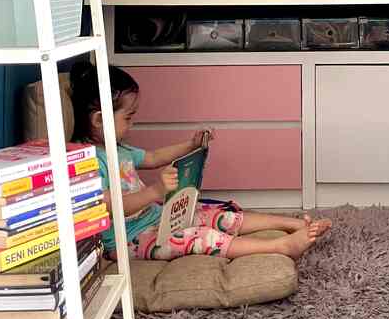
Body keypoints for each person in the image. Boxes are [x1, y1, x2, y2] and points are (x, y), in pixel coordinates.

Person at [69, 62, 331, 262]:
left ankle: (292, 224)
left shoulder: (118, 148)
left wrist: (191, 145)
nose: (133, 123)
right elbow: (110, 208)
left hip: (157, 219)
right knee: (201, 237)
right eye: (128, 117)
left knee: (216, 216)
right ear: (99, 120)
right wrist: (155, 192)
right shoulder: (85, 163)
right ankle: (280, 246)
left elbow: (153, 158)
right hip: (130, 241)